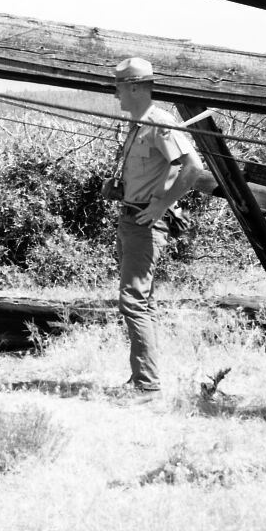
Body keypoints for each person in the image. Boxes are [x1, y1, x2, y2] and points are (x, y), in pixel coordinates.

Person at [107, 57, 205, 393]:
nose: (116, 92)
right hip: (131, 216)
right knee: (142, 301)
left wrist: (162, 204)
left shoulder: (159, 122)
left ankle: (147, 387)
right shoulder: (139, 124)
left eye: (119, 85)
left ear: (134, 86)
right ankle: (142, 378)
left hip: (143, 222)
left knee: (133, 300)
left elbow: (192, 167)